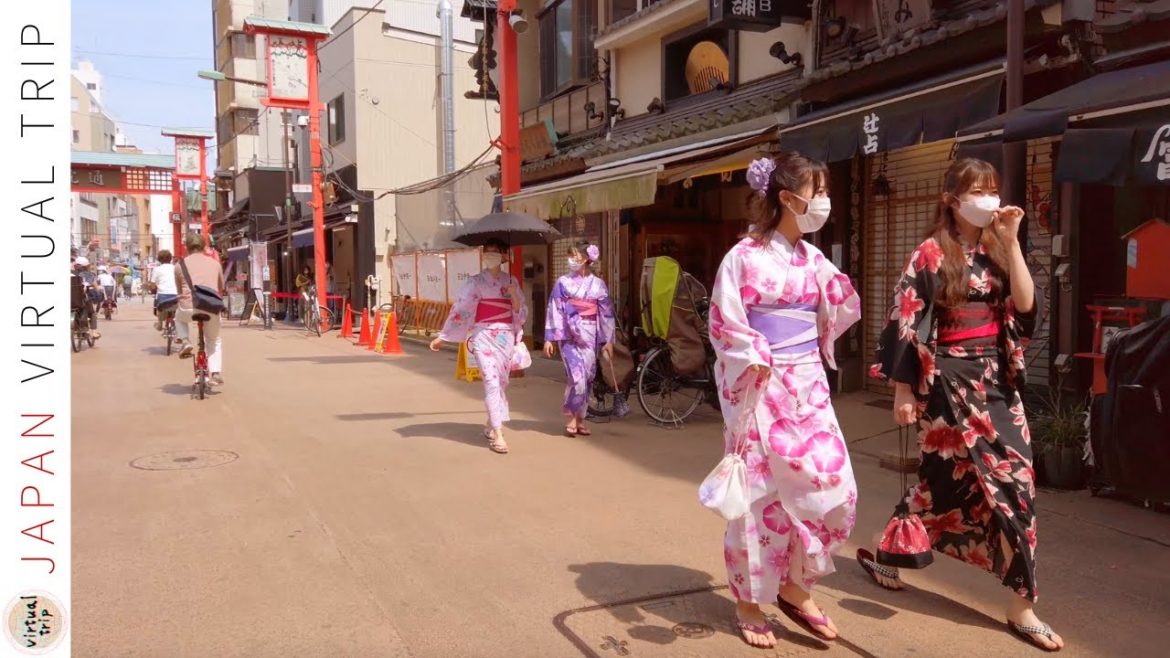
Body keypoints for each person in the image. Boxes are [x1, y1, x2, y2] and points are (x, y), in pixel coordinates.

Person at [861, 158, 1062, 651]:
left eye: (994, 189)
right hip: (947, 382)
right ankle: (894, 550)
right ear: (952, 199)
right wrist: (905, 391)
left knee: (1017, 484)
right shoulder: (930, 253)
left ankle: (1022, 605)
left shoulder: (998, 248)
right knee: (940, 483)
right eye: (978, 191)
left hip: (996, 383)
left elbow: (1026, 304)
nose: (989, 199)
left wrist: (1013, 241)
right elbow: (904, 320)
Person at [708, 153, 861, 648]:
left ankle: (796, 586)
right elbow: (725, 322)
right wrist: (752, 353)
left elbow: (834, 308)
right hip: (760, 383)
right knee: (759, 498)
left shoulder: (812, 258)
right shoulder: (743, 257)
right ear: (788, 199)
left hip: (808, 383)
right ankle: (750, 600)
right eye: (817, 193)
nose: (823, 203)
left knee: (833, 482)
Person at [430, 239, 528, 454]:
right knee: (491, 382)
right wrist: (444, 337)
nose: (491, 255)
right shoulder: (474, 282)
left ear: (504, 256)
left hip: (506, 336)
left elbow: (520, 314)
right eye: (488, 251)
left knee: (502, 382)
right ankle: (499, 433)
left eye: (496, 252)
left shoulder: (511, 281)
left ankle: (491, 421)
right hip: (483, 335)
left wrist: (513, 296)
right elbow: (461, 309)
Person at [543, 243, 615, 436]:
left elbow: (606, 313)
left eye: (575, 256)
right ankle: (571, 417)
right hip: (568, 335)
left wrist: (608, 339)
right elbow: (555, 309)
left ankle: (581, 418)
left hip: (590, 334)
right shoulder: (563, 282)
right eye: (570, 256)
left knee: (589, 377)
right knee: (577, 377)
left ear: (586, 259)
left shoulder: (598, 284)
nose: (571, 260)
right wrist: (550, 338)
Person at [175, 234, 226, 387]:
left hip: (188, 308)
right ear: (204, 247)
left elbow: (179, 290)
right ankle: (215, 373)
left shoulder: (179, 265)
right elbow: (220, 287)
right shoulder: (215, 263)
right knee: (214, 339)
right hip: (210, 307)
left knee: (178, 317)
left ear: (187, 247)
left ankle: (185, 341)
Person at [70, 257, 100, 340]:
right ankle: (94, 333)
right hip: (82, 301)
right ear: (86, 266)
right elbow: (96, 287)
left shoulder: (70, 274)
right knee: (92, 313)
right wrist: (98, 290)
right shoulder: (88, 275)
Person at [151, 250, 179, 331]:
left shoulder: (157, 269)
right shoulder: (175, 268)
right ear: (170, 259)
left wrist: (153, 288)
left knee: (158, 306)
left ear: (159, 259)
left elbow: (153, 285)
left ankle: (160, 324)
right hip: (176, 296)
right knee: (177, 312)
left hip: (163, 296)